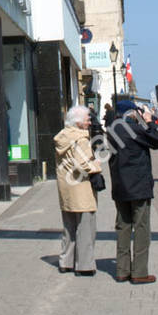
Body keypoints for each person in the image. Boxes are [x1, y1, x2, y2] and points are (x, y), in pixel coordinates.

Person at [107, 98, 158, 284]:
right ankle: (139, 272)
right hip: (138, 186)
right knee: (141, 228)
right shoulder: (134, 129)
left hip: (120, 186)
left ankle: (122, 270)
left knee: (123, 227)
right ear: (132, 113)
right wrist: (149, 121)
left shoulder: (112, 131)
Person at [54, 104, 102, 275]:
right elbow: (81, 165)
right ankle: (85, 265)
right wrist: (96, 166)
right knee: (85, 228)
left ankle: (66, 262)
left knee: (69, 227)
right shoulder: (80, 139)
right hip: (81, 188)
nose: (89, 122)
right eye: (87, 119)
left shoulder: (63, 136)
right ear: (79, 122)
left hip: (66, 188)